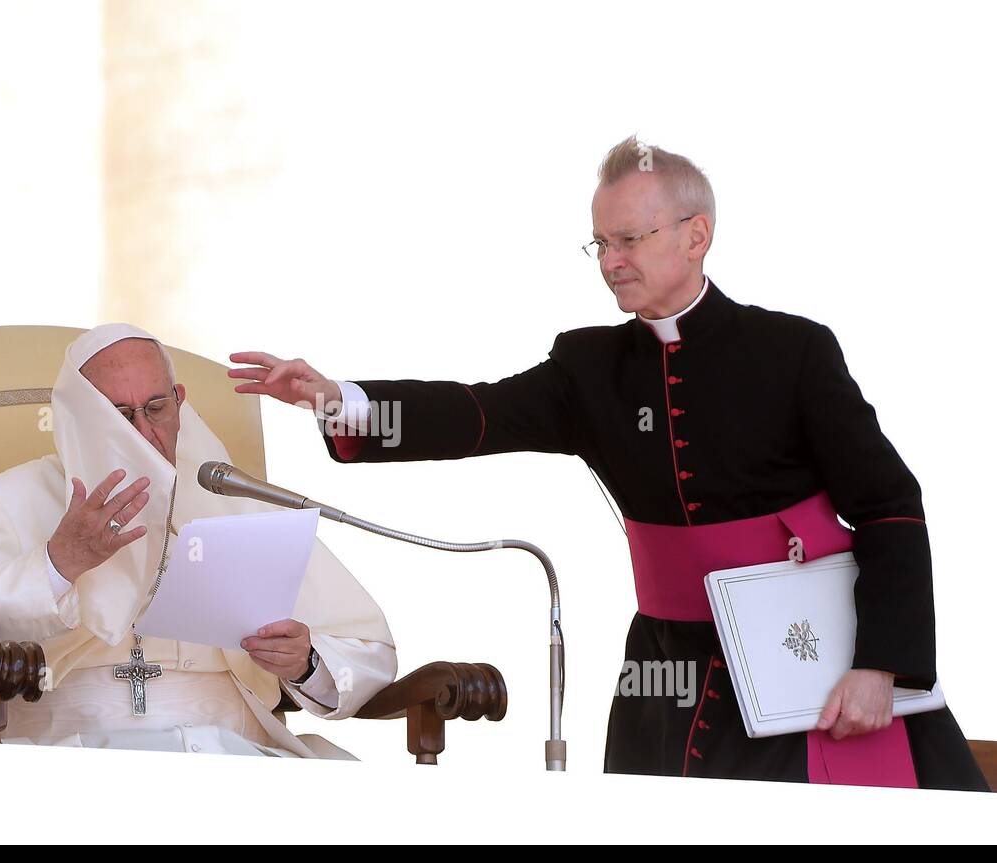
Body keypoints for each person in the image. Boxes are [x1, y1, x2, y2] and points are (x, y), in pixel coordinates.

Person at [228, 135, 989, 789]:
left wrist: (881, 666)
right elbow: (478, 412)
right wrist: (343, 402)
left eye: (630, 239)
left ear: (697, 236)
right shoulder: (588, 366)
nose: (611, 261)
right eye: (601, 244)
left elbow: (891, 504)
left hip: (805, 646)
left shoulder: (793, 351)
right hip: (663, 662)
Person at [0, 324, 396, 758]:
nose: (144, 432)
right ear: (80, 413)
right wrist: (57, 564)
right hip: (68, 759)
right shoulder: (16, 497)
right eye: (120, 414)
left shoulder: (235, 496)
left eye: (156, 407)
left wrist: (306, 661)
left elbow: (368, 651)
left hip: (236, 756)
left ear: (179, 401)